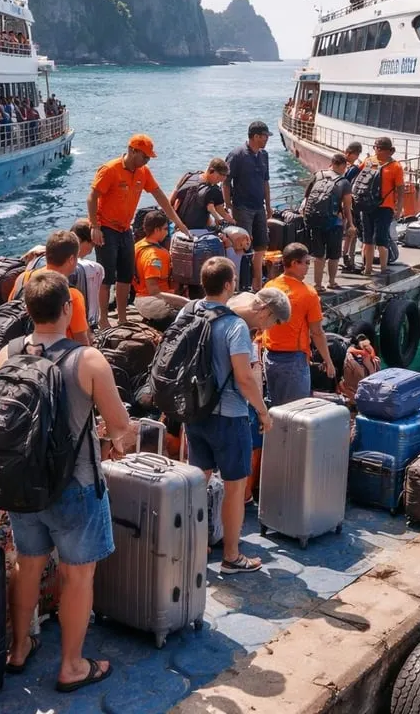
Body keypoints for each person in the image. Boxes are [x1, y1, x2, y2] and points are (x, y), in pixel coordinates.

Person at [0, 271, 131, 692]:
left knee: (27, 564)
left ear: (28, 311)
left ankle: (18, 649)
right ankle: (71, 665)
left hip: (22, 484)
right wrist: (112, 441)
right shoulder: (87, 360)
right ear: (69, 309)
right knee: (77, 575)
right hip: (74, 485)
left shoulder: (7, 353)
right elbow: (120, 425)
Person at [187, 258, 273, 574]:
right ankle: (232, 556)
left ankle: (193, 547)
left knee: (198, 482)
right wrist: (262, 412)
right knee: (235, 488)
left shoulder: (188, 311)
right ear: (228, 285)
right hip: (229, 414)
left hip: (194, 412)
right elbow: (244, 378)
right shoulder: (235, 325)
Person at [87, 135, 189, 329]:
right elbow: (92, 197)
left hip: (125, 228)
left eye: (149, 158)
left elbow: (160, 196)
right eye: (145, 156)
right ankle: (103, 320)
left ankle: (123, 317)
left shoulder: (143, 172)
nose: (147, 161)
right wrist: (95, 226)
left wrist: (178, 222)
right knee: (107, 276)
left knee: (125, 274)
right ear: (132, 151)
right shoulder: (110, 169)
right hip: (106, 228)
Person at [262, 243, 335, 406]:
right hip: (293, 359)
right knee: (296, 411)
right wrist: (328, 361)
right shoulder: (308, 294)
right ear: (294, 263)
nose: (308, 267)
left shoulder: (270, 286)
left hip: (269, 356)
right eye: (306, 262)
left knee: (274, 408)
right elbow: (317, 332)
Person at [10, 230, 93, 345]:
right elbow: (82, 341)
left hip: (22, 348)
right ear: (71, 259)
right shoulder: (71, 295)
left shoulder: (23, 278)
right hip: (57, 356)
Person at [223, 122, 274, 291]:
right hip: (242, 207)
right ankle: (239, 285)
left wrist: (268, 206)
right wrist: (228, 205)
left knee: (261, 245)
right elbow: (226, 181)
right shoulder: (237, 155)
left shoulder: (264, 155)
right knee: (243, 246)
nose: (267, 139)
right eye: (265, 136)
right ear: (256, 136)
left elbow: (265, 182)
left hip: (259, 207)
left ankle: (257, 284)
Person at [301, 153, 353, 291]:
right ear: (342, 165)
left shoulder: (318, 175)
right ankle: (331, 282)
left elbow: (307, 197)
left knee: (319, 255)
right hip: (334, 223)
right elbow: (347, 207)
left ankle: (317, 285)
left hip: (314, 220)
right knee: (334, 255)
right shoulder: (344, 182)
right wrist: (350, 224)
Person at [133, 210, 190, 329]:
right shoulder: (154, 256)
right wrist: (185, 302)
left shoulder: (138, 245)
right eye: (165, 229)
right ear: (156, 230)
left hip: (142, 297)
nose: (167, 232)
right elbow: (154, 291)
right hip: (150, 299)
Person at [360, 137, 404, 277]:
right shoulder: (395, 166)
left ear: (378, 149)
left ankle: (368, 269)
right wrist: (398, 208)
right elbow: (400, 190)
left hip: (368, 205)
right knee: (380, 239)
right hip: (385, 206)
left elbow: (357, 180)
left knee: (370, 239)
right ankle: (383, 269)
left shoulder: (368, 161)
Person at [171, 158, 233, 233]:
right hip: (196, 230)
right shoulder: (214, 190)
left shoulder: (189, 176)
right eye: (219, 176)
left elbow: (171, 199)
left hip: (178, 226)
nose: (222, 180)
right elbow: (222, 212)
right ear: (211, 170)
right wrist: (233, 222)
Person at [340, 141, 365, 272]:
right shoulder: (349, 167)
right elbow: (347, 179)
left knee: (348, 233)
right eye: (356, 155)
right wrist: (360, 166)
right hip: (346, 203)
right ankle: (348, 259)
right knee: (351, 232)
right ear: (350, 153)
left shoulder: (338, 163)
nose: (356, 158)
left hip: (341, 203)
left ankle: (346, 258)